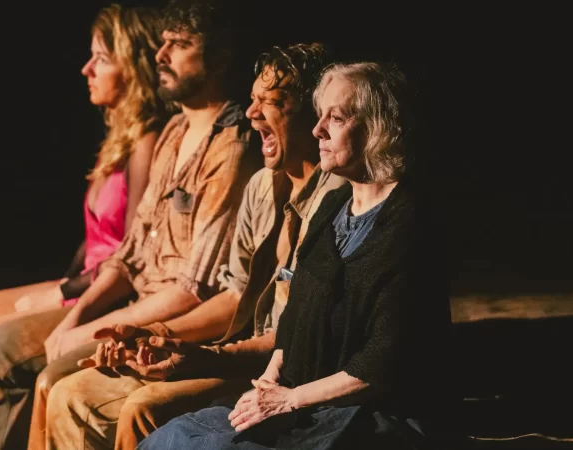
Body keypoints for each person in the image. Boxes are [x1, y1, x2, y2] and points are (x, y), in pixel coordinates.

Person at [0, 1, 263, 449]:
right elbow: (128, 256)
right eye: (162, 44)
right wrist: (78, 316)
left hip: (173, 320)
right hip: (140, 306)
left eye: (179, 45)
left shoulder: (232, 148)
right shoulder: (173, 133)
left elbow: (194, 290)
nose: (161, 56)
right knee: (1, 345)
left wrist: (92, 327)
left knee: (56, 382)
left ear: (220, 58)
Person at [42, 42, 347, 450]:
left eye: (273, 102)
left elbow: (299, 338)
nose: (252, 113)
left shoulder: (338, 200)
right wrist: (153, 335)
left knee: (139, 408)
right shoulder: (262, 186)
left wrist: (203, 354)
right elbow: (234, 294)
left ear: (314, 116)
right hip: (246, 351)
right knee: (67, 391)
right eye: (253, 100)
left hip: (285, 374)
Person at [136, 62, 457, 449]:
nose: (318, 130)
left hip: (371, 413)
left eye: (335, 118)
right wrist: (267, 384)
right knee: (173, 437)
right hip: (305, 401)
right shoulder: (332, 209)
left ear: (378, 128)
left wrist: (289, 400)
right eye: (319, 116)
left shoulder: (410, 225)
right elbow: (292, 323)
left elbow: (381, 363)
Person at [0, 4, 171, 449]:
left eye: (101, 58)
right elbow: (94, 238)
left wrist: (62, 292)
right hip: (86, 280)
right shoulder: (118, 137)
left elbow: (131, 252)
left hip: (109, 292)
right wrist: (62, 282)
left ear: (132, 66)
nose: (86, 69)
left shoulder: (148, 142)